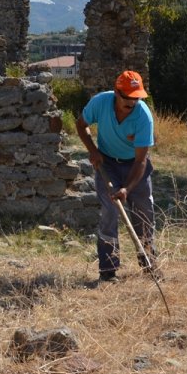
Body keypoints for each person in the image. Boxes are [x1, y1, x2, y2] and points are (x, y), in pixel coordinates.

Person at [75, 70, 156, 282]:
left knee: (144, 213)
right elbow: (80, 124)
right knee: (110, 213)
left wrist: (127, 189)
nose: (132, 102)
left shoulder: (143, 117)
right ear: (117, 93)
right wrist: (93, 150)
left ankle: (149, 266)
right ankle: (108, 271)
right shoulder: (100, 103)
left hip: (134, 167)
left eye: (136, 98)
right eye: (128, 98)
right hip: (107, 164)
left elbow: (141, 161)